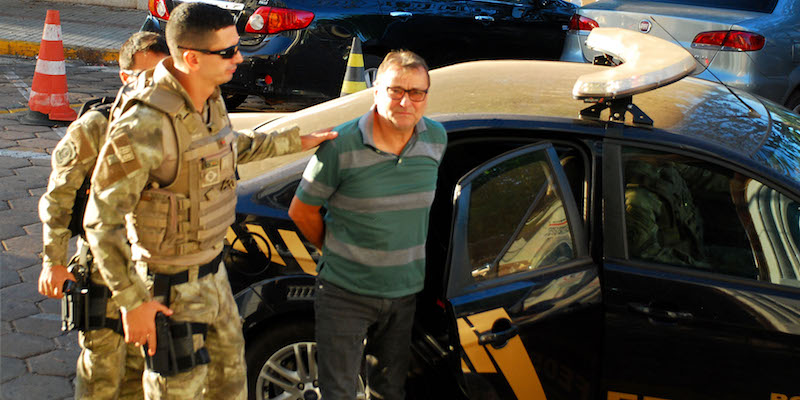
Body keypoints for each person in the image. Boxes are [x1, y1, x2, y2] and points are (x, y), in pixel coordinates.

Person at [82, 3, 336, 399]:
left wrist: (296, 142)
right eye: (228, 52)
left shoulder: (210, 98)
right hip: (168, 295)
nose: (239, 57)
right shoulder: (143, 123)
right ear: (192, 58)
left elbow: (227, 147)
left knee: (230, 387)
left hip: (214, 278)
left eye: (237, 47)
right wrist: (133, 303)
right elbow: (101, 220)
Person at [288, 50, 447, 400]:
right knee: (339, 392)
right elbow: (301, 210)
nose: (406, 100)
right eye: (395, 90)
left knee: (389, 391)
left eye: (416, 92)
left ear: (426, 96)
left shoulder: (436, 139)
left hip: (404, 293)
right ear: (376, 91)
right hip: (345, 294)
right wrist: (337, 252)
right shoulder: (341, 145)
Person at [38, 31, 170, 400]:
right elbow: (59, 195)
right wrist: (53, 260)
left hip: (151, 269)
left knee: (138, 373)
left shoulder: (171, 122)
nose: (157, 84)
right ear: (125, 77)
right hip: (103, 269)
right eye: (147, 75)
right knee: (101, 375)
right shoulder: (97, 125)